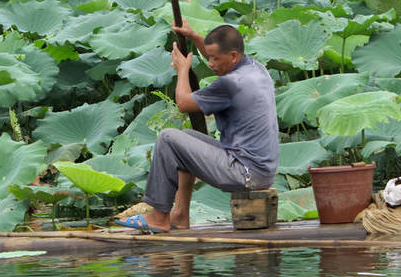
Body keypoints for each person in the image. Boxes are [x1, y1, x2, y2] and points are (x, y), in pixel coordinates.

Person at [116, 20, 279, 232]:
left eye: (214, 59)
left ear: (232, 57)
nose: (210, 63)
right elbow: (217, 55)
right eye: (208, 57)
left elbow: (184, 103)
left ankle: (158, 217)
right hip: (259, 170)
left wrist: (182, 69)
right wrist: (193, 35)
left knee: (168, 137)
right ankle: (180, 215)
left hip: (245, 173)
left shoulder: (230, 83)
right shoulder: (256, 69)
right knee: (185, 138)